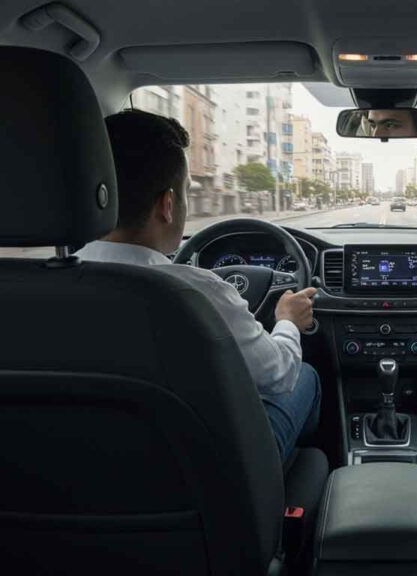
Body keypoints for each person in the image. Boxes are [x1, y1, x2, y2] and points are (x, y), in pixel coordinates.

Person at [76, 110, 320, 464]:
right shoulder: (199, 291)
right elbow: (278, 376)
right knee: (304, 375)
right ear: (168, 205)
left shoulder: (32, 293)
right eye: (187, 191)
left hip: (83, 469)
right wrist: (286, 321)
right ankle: (301, 466)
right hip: (203, 475)